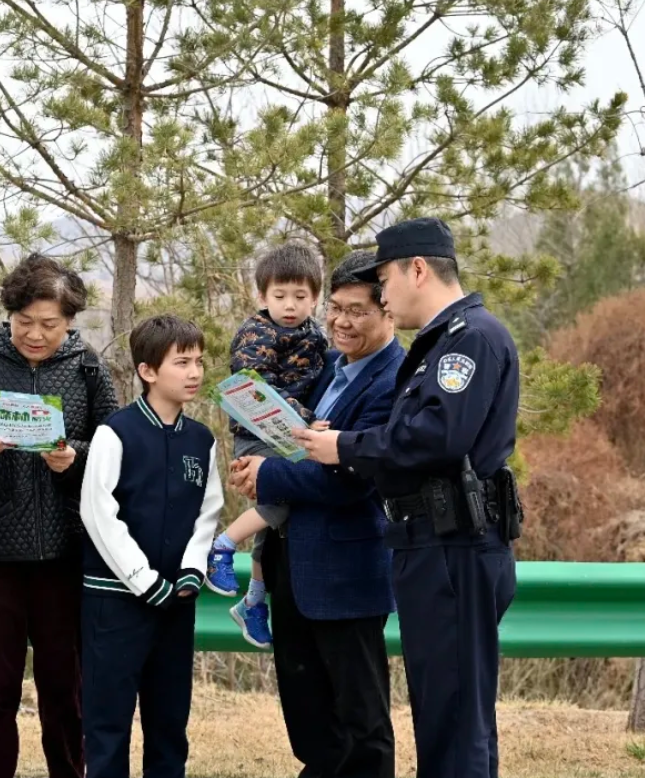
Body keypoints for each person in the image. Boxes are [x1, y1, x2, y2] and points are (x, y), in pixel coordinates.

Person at [293, 217, 523, 778]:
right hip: (431, 542)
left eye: (385, 282)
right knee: (444, 712)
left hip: (454, 545)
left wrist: (345, 446)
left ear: (417, 269)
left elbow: (437, 437)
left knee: (454, 719)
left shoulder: (470, 339)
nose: (384, 298)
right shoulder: (444, 341)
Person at [0, 253, 118, 778]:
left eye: (49, 325)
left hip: (66, 552)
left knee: (66, 689)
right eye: (24, 322)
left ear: (70, 321)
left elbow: (115, 455)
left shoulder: (88, 372)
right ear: (9, 314)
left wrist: (74, 459)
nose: (35, 335)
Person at [229, 251, 403, 778]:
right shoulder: (324, 364)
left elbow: (352, 480)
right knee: (308, 714)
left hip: (346, 573)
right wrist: (251, 466)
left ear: (389, 311)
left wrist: (267, 475)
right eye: (336, 308)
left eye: (358, 311)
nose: (342, 322)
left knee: (360, 720)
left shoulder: (393, 382)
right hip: (291, 564)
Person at [78, 314, 224, 778]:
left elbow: (208, 511)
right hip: (114, 603)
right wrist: (143, 580)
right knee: (107, 724)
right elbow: (98, 513)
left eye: (198, 361)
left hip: (177, 602)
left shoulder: (201, 439)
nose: (195, 372)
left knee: (169, 723)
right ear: (147, 371)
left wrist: (191, 570)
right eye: (182, 362)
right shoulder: (115, 432)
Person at [204, 241, 330, 649]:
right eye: (280, 296)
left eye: (300, 296)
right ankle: (222, 546)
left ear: (315, 298)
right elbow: (255, 389)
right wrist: (307, 419)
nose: (290, 305)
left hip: (290, 435)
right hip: (257, 435)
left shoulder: (316, 336)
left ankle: (254, 601)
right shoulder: (256, 334)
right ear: (262, 296)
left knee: (274, 525)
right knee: (283, 502)